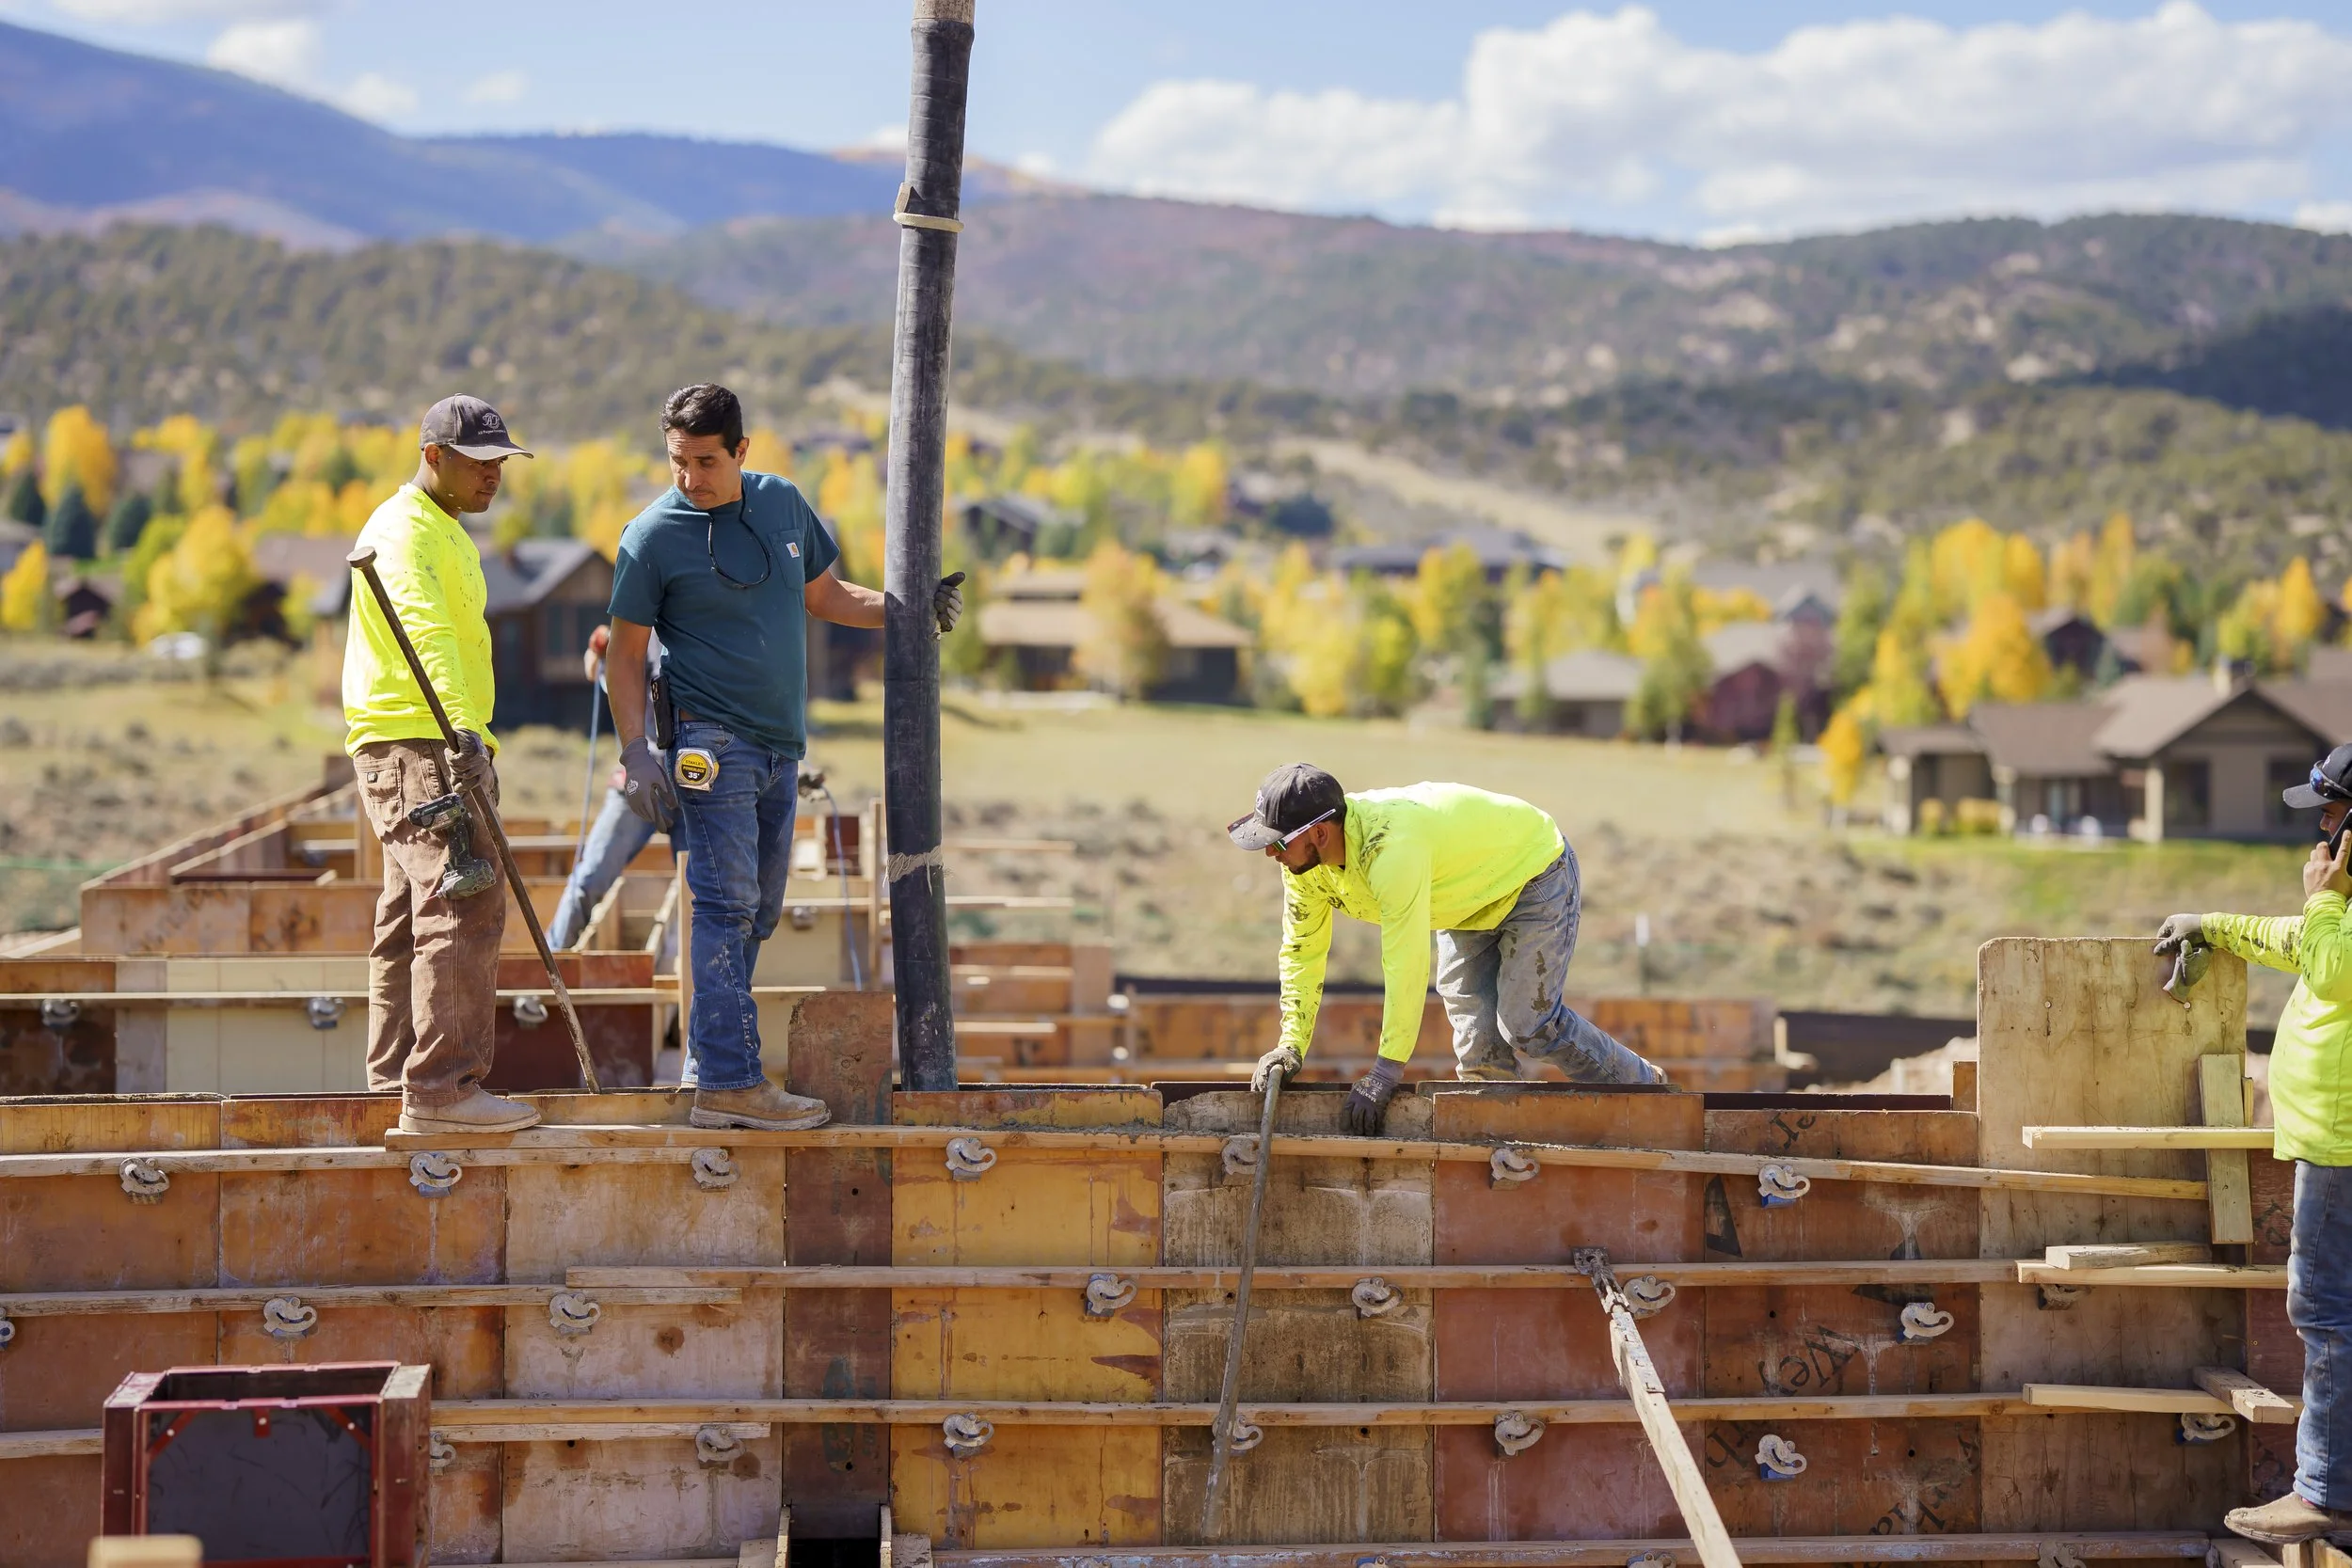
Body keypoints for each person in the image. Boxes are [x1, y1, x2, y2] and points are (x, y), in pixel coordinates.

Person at [606, 383, 962, 1131]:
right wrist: (635, 751)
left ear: (742, 449)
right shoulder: (650, 536)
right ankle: (731, 1082)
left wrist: (911, 607)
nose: (690, 478)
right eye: (677, 461)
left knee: (760, 909)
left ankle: (711, 1064)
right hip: (709, 746)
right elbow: (627, 655)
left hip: (777, 749)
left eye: (706, 461)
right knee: (725, 903)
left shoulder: (782, 505)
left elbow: (827, 595)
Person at [1232, 763, 1666, 1133]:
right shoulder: (1302, 869)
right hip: (1463, 903)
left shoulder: (1392, 850)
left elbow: (1404, 964)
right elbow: (1302, 951)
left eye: (1279, 842)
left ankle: (1648, 1093)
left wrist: (1385, 1073)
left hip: (1531, 875)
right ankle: (1502, 1154)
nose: (1270, 853)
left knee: (1528, 1024)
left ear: (1321, 834)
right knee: (1480, 1056)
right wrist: (1290, 1045)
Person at [2165, 742, 2352, 1544]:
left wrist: (2323, 897)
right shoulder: (2336, 916)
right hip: (2333, 1148)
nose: (2318, 832)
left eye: (2331, 815)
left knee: (2328, 1317)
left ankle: (2324, 1492)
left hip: (2343, 1154)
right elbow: (2302, 946)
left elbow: (2331, 965)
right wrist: (2213, 925)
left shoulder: (2336, 915)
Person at [345, 395, 541, 1135]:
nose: (494, 476)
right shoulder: (402, 533)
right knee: (464, 901)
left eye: (501, 463)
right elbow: (423, 628)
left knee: (408, 917)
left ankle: (392, 1084)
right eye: (479, 463)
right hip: (422, 742)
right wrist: (462, 729)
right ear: (434, 457)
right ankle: (442, 1089)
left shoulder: (445, 529)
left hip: (428, 739)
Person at [548, 623, 662, 953]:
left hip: (696, 779)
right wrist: (600, 650)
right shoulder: (640, 626)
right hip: (642, 774)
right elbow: (593, 666)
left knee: (704, 894)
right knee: (590, 879)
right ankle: (549, 970)